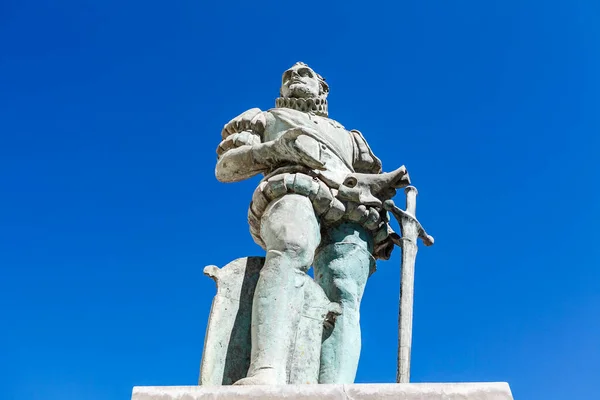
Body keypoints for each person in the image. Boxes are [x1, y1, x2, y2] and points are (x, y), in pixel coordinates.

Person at [215, 62, 402, 384]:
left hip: (354, 206)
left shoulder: (351, 137)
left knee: (345, 294)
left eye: (303, 74)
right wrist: (276, 148)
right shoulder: (263, 118)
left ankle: (336, 386)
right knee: (291, 249)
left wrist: (384, 187)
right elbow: (227, 167)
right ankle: (266, 370)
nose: (293, 78)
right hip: (294, 185)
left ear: (322, 88)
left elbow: (365, 177)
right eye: (287, 76)